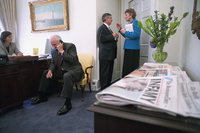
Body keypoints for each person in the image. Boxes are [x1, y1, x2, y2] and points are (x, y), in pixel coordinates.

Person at [31, 35, 84, 115]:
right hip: (62, 71)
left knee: (67, 76)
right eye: (52, 45)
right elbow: (53, 63)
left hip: (74, 70)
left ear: (60, 42)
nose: (53, 47)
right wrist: (50, 70)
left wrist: (62, 51)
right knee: (45, 72)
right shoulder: (53, 51)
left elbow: (73, 60)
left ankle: (67, 103)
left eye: (55, 44)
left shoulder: (70, 46)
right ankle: (42, 96)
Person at [116, 8, 141, 77]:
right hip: (128, 48)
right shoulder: (130, 24)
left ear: (131, 15)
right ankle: (125, 85)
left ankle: (132, 85)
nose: (125, 16)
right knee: (127, 68)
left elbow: (136, 35)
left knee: (132, 69)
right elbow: (127, 36)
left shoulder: (137, 23)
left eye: (126, 15)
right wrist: (120, 29)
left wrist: (125, 32)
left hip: (133, 49)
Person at [97, 13, 119, 90]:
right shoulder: (101, 28)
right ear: (106, 19)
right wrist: (112, 36)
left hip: (110, 54)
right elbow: (102, 39)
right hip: (105, 55)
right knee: (104, 73)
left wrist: (115, 37)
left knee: (109, 72)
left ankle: (108, 87)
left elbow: (110, 39)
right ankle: (104, 88)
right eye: (111, 18)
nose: (112, 20)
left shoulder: (109, 29)